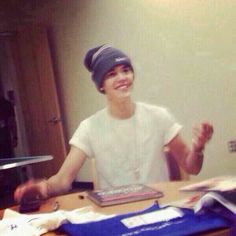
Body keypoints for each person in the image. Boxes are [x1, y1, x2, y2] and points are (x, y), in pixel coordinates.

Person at [14, 45, 213, 202]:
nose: (122, 78)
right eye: (111, 74)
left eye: (125, 70)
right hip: (114, 213)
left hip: (159, 207)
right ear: (101, 85)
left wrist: (198, 147)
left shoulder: (159, 116)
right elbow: (64, 180)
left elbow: (192, 167)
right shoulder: (89, 128)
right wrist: (44, 187)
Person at [0, 91, 18, 158]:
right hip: (5, 138)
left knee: (7, 162)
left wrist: (15, 137)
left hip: (5, 139)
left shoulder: (7, 104)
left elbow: (12, 121)